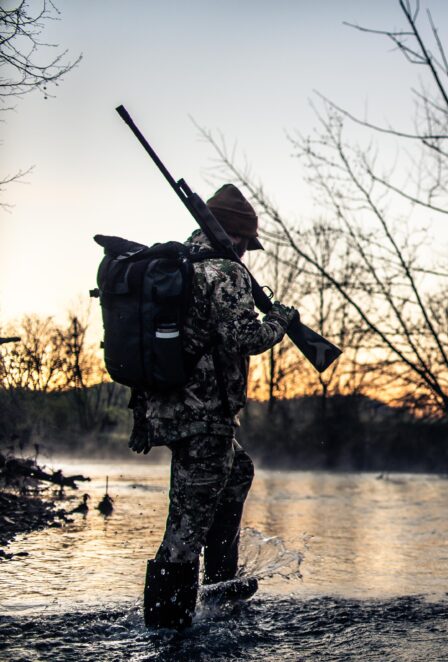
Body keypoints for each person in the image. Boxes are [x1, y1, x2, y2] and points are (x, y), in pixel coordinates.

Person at [129, 183, 297, 629]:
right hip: (203, 419)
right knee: (184, 531)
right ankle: (167, 631)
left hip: (170, 412)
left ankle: (221, 588)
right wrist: (281, 317)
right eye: (246, 242)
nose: (247, 251)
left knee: (237, 471)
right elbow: (246, 337)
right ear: (237, 237)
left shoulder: (178, 265)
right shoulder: (224, 271)